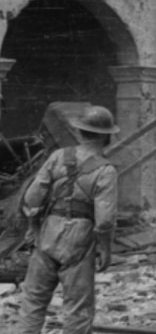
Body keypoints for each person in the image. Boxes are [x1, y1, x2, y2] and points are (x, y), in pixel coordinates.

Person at [19, 105, 119, 334]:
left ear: (81, 132)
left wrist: (35, 230)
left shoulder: (58, 157)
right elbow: (104, 222)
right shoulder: (106, 170)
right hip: (79, 239)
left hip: (48, 233)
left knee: (33, 302)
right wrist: (106, 249)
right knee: (78, 308)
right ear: (106, 135)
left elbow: (32, 199)